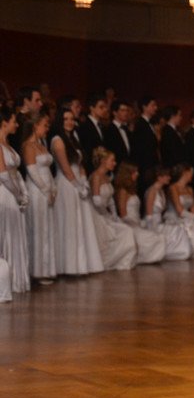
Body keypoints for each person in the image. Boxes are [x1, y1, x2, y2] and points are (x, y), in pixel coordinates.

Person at [51, 107, 104, 275]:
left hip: (79, 183)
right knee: (70, 223)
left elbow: (80, 164)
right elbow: (65, 167)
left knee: (82, 222)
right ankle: (68, 266)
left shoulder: (73, 138)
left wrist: (84, 182)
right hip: (67, 184)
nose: (70, 122)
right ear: (60, 121)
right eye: (66, 119)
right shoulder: (57, 140)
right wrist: (77, 185)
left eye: (72, 119)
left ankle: (82, 265)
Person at [21, 113, 58, 283]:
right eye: (44, 125)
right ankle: (37, 270)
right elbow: (32, 171)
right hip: (37, 191)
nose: (47, 128)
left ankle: (47, 269)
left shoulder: (41, 145)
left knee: (47, 228)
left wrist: (53, 188)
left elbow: (48, 170)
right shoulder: (28, 146)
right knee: (38, 228)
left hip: (47, 189)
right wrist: (46, 190)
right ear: (35, 125)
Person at [0, 105, 30, 293]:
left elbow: (15, 173)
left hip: (13, 192)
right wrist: (18, 194)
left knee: (15, 234)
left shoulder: (8, 144)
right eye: (14, 121)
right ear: (4, 123)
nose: (17, 125)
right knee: (6, 234)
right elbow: (3, 175)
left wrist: (23, 192)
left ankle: (16, 279)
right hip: (4, 193)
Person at [113, 162, 167, 264]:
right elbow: (123, 215)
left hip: (136, 223)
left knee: (159, 237)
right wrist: (137, 223)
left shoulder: (132, 190)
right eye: (135, 172)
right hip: (129, 225)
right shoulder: (123, 191)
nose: (137, 174)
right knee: (154, 238)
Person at [144, 166, 194, 260]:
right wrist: (152, 231)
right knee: (177, 230)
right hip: (153, 224)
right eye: (167, 176)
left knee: (179, 229)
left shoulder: (161, 191)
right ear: (159, 178)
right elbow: (149, 215)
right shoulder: (152, 191)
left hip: (160, 223)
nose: (169, 178)